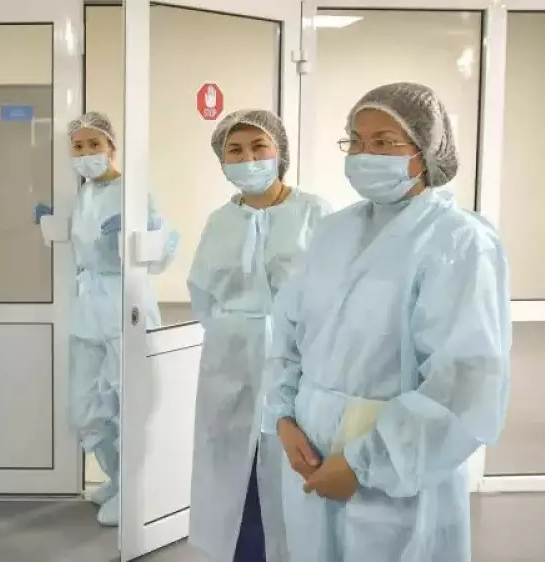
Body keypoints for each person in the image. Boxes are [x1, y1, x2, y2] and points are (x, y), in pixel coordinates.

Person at [260, 82, 511, 562]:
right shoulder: (333, 231)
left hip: (396, 463)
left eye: (384, 142)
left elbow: (465, 382)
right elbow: (289, 332)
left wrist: (363, 464)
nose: (364, 154)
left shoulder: (458, 242)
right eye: (356, 140)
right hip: (308, 447)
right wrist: (284, 418)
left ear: (425, 151)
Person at [187, 109, 330, 562]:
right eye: (235, 150)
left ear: (279, 151)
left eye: (258, 147)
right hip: (229, 357)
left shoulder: (314, 212)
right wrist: (233, 332)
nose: (247, 158)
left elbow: (331, 289)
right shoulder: (219, 220)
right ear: (222, 159)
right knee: (229, 463)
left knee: (287, 462)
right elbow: (202, 293)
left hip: (297, 355)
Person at [34, 111, 179, 527]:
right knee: (87, 405)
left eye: (93, 144)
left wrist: (134, 238)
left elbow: (162, 253)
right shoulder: (82, 194)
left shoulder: (134, 192)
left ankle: (135, 492)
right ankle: (117, 480)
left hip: (123, 303)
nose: (85, 154)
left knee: (128, 402)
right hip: (88, 308)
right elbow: (81, 250)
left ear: (112, 146)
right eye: (78, 147)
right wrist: (53, 226)